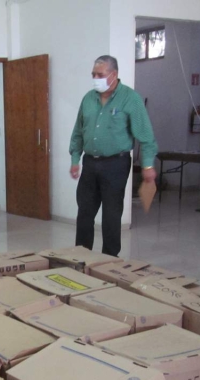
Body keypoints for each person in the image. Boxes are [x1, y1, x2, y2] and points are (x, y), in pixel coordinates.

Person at [69, 55, 157, 257]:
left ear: (114, 74)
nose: (95, 78)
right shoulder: (88, 99)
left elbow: (146, 137)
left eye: (100, 75)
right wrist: (75, 160)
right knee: (84, 213)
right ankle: (80, 256)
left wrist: (148, 165)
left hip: (116, 164)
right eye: (93, 74)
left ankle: (109, 261)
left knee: (111, 215)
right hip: (90, 163)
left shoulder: (130, 98)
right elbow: (78, 132)